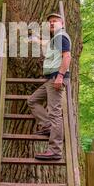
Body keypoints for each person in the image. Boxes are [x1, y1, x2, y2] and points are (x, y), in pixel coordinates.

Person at [27, 12, 72, 160]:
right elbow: (47, 44)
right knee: (32, 100)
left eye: (55, 21)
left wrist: (60, 76)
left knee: (55, 113)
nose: (52, 23)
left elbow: (67, 56)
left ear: (62, 23)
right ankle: (46, 125)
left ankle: (55, 150)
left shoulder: (61, 37)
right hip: (50, 80)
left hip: (56, 79)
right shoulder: (55, 39)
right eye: (50, 22)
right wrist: (36, 40)